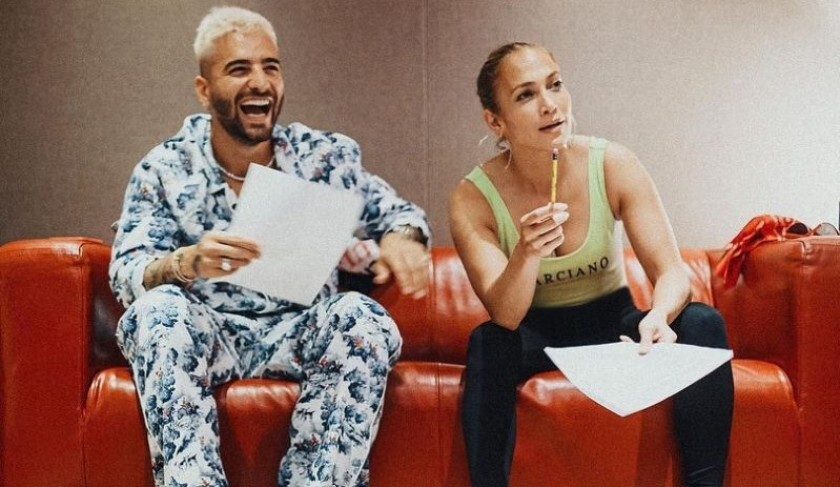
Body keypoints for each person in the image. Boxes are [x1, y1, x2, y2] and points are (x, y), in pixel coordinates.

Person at [109, 6, 430, 487]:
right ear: (204, 89)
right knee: (158, 313)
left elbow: (400, 215)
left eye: (270, 67)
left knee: (362, 317)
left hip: (299, 329)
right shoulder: (165, 169)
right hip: (209, 330)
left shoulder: (324, 158)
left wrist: (402, 240)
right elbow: (128, 272)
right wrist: (187, 261)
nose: (260, 82)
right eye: (239, 69)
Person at [449, 42, 734, 487]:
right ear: (495, 121)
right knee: (489, 341)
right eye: (526, 95)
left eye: (555, 85)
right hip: (534, 333)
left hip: (613, 321)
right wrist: (526, 252)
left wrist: (659, 315)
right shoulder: (472, 197)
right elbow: (505, 315)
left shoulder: (612, 163)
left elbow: (672, 273)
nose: (549, 104)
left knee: (702, 321)